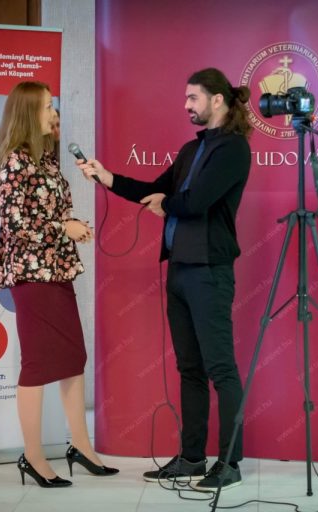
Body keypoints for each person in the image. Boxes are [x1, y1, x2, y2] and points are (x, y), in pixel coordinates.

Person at [77, 68, 252, 491]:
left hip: (209, 271)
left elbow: (196, 202)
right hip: (180, 269)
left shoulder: (233, 149)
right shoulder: (192, 149)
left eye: (193, 97)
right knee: (190, 368)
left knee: (220, 368)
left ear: (216, 100)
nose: (186, 104)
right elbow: (153, 190)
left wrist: (166, 204)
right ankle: (192, 458)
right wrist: (106, 177)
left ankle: (230, 462)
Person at [0, 81, 118, 488]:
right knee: (38, 362)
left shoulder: (44, 159)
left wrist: (74, 226)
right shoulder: (14, 162)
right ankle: (32, 456)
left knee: (73, 356)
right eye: (47, 107)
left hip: (56, 270)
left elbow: (50, 214)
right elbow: (17, 224)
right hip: (31, 275)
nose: (54, 113)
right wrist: (65, 227)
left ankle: (81, 445)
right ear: (30, 113)